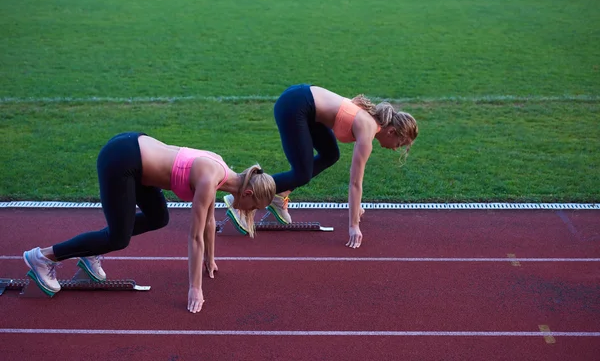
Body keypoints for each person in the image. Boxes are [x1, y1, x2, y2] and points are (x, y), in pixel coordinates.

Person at [23, 132, 275, 313]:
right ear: (248, 194)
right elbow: (195, 236)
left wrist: (210, 259)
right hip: (122, 161)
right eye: (254, 208)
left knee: (158, 217)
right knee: (118, 238)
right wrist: (195, 288)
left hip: (136, 154)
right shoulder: (209, 180)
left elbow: (209, 221)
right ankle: (44, 257)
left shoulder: (219, 170)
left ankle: (91, 251)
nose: (250, 213)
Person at [224, 84, 418, 249]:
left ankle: (278, 195)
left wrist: (356, 206)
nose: (395, 149)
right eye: (399, 144)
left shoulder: (370, 120)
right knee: (302, 174)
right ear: (391, 131)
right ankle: (239, 196)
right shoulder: (367, 129)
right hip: (295, 105)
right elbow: (355, 183)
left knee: (331, 155)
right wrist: (353, 225)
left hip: (305, 105)